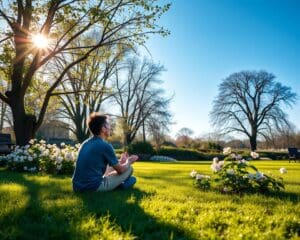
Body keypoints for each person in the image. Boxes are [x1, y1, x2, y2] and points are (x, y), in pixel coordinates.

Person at [72, 112, 138, 192]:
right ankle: (120, 186)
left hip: (77, 186)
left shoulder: (85, 143)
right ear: (103, 128)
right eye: (108, 125)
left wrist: (120, 162)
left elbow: (98, 167)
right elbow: (120, 170)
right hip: (92, 187)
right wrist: (129, 161)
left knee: (127, 174)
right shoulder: (105, 145)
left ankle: (119, 184)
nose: (110, 127)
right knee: (129, 170)